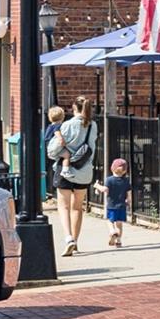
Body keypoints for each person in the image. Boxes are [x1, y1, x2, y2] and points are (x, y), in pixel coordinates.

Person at [55, 97, 98, 256]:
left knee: (63, 206)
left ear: (74, 108)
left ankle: (68, 238)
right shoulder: (93, 125)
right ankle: (75, 240)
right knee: (77, 207)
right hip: (84, 170)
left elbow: (53, 150)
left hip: (66, 170)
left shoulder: (67, 125)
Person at [103, 157, 130, 250]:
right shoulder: (126, 181)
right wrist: (128, 200)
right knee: (119, 224)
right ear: (125, 170)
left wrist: (97, 186)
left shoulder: (109, 180)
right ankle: (118, 241)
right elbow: (129, 193)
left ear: (112, 168)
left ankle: (112, 231)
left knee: (109, 220)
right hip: (122, 206)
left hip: (111, 205)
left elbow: (105, 190)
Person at [42, 105, 65, 202]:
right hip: (53, 149)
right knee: (55, 167)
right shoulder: (57, 126)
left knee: (49, 168)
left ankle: (49, 189)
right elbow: (57, 133)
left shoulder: (50, 126)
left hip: (47, 148)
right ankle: (54, 187)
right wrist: (62, 140)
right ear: (62, 117)